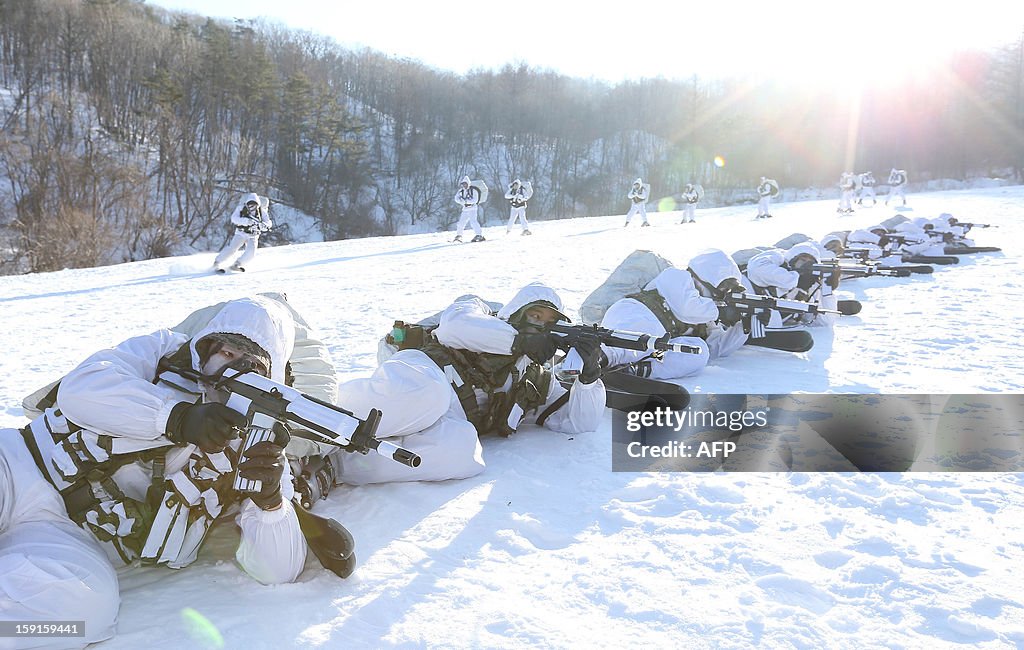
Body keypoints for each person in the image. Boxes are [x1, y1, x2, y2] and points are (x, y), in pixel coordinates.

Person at [1, 296, 307, 646]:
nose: (233, 369)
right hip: (17, 464)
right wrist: (175, 417)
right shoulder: (162, 352)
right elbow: (80, 388)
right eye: (227, 353)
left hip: (68, 538)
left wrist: (270, 502)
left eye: (251, 365)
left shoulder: (263, 443)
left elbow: (279, 571)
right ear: (207, 347)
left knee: (82, 617)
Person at [331, 283, 606, 485]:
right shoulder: (477, 312)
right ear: (514, 313)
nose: (539, 326)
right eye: (534, 315)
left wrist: (590, 377)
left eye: (549, 323)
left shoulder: (535, 376)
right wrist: (519, 342)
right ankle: (309, 422)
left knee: (464, 452)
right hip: (425, 373)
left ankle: (335, 466)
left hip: (451, 416)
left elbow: (579, 423)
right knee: (428, 396)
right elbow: (454, 326)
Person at [599, 267, 715, 379]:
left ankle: (633, 370)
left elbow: (718, 347)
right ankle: (598, 358)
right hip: (638, 312)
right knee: (640, 337)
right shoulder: (678, 276)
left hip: (657, 341)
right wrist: (718, 310)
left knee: (700, 352)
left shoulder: (708, 314)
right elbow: (686, 308)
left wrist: (731, 320)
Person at [744, 243, 840, 328]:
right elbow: (757, 268)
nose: (806, 265)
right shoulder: (778, 258)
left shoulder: (808, 285)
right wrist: (795, 279)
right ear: (792, 259)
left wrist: (828, 291)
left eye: (810, 263)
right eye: (803, 260)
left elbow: (824, 322)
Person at [213, 192, 272, 272]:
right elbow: (234, 219)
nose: (251, 207)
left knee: (251, 253)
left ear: (257, 204)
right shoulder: (241, 209)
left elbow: (268, 223)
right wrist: (246, 221)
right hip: (241, 233)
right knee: (232, 249)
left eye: (253, 205)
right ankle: (217, 262)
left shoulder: (262, 212)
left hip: (253, 235)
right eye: (249, 205)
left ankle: (237, 264)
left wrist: (261, 226)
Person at [453, 176, 486, 243]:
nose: (464, 185)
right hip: (465, 209)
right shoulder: (461, 191)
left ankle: (479, 235)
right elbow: (456, 198)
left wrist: (465, 201)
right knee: (461, 223)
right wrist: (460, 201)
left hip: (473, 208)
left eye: (465, 184)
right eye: (463, 184)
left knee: (473, 222)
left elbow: (475, 200)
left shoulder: (473, 190)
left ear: (468, 183)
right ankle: (459, 235)